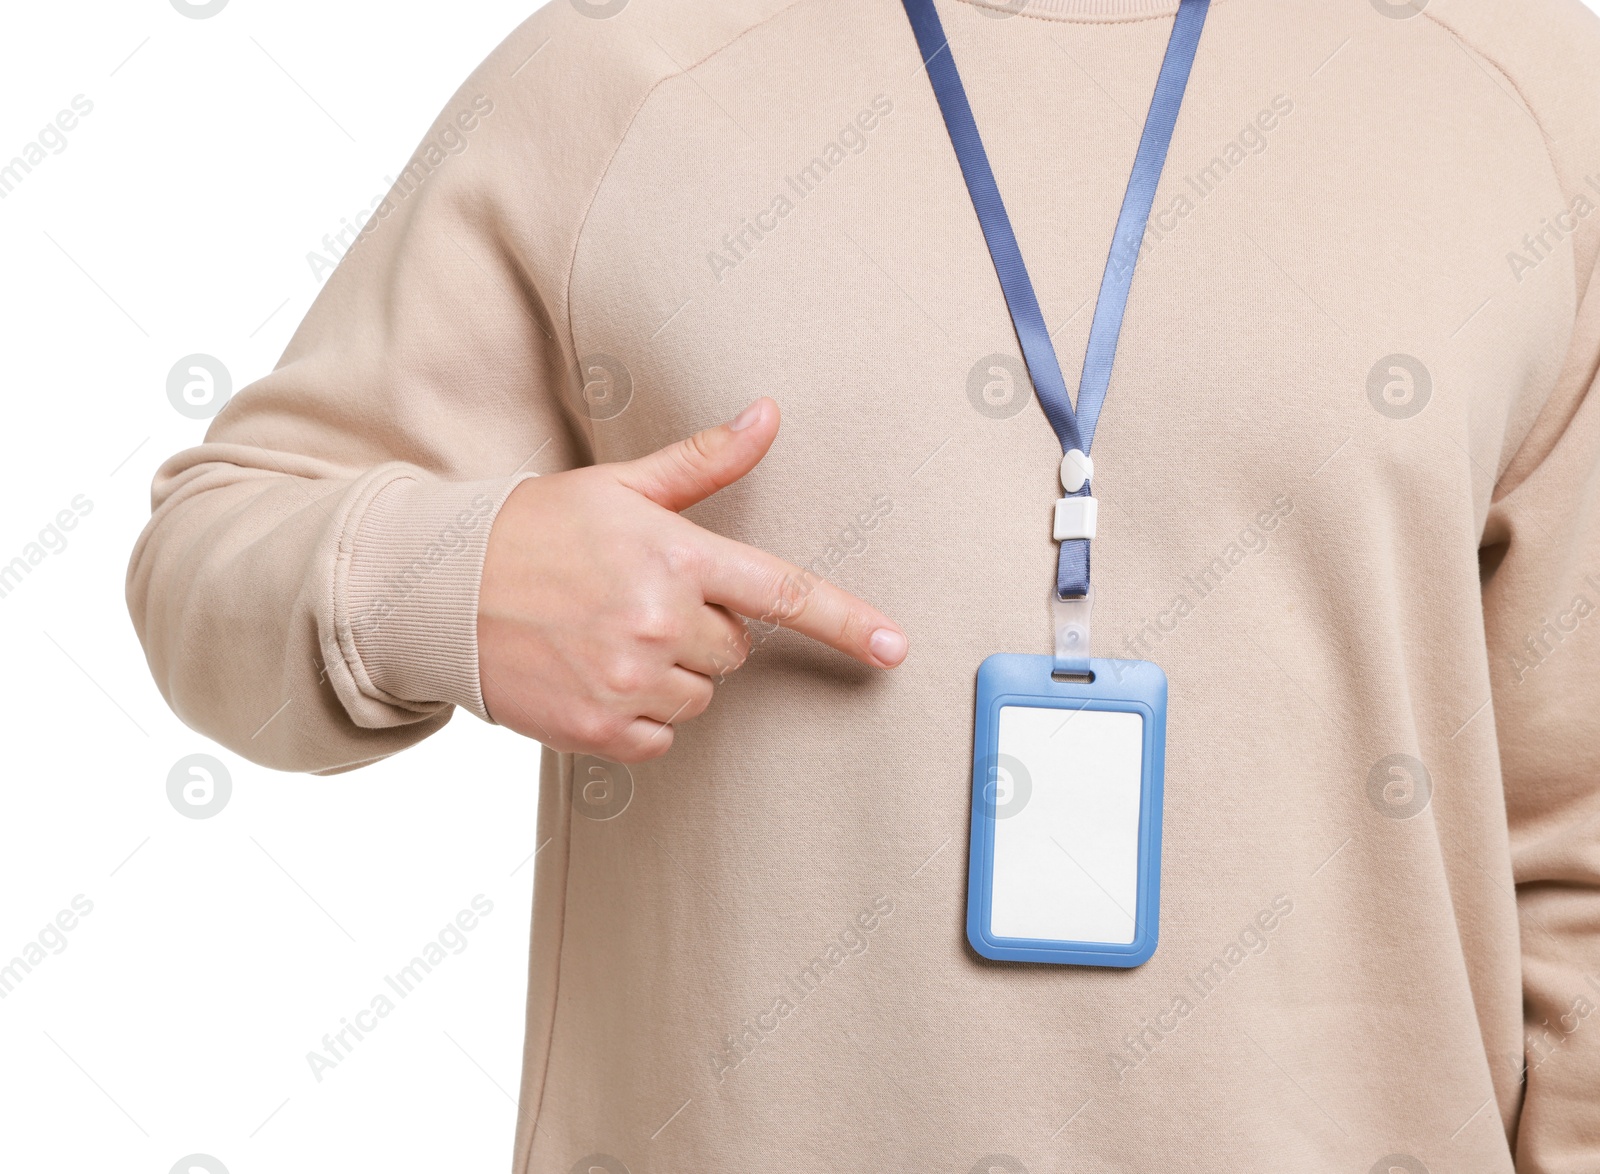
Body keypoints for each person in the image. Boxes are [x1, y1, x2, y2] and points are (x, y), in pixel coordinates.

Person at [128, 0, 1600, 1170]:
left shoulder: (1526, 104)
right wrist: (451, 572)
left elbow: (1581, 839)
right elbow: (211, 546)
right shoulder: (622, 68)